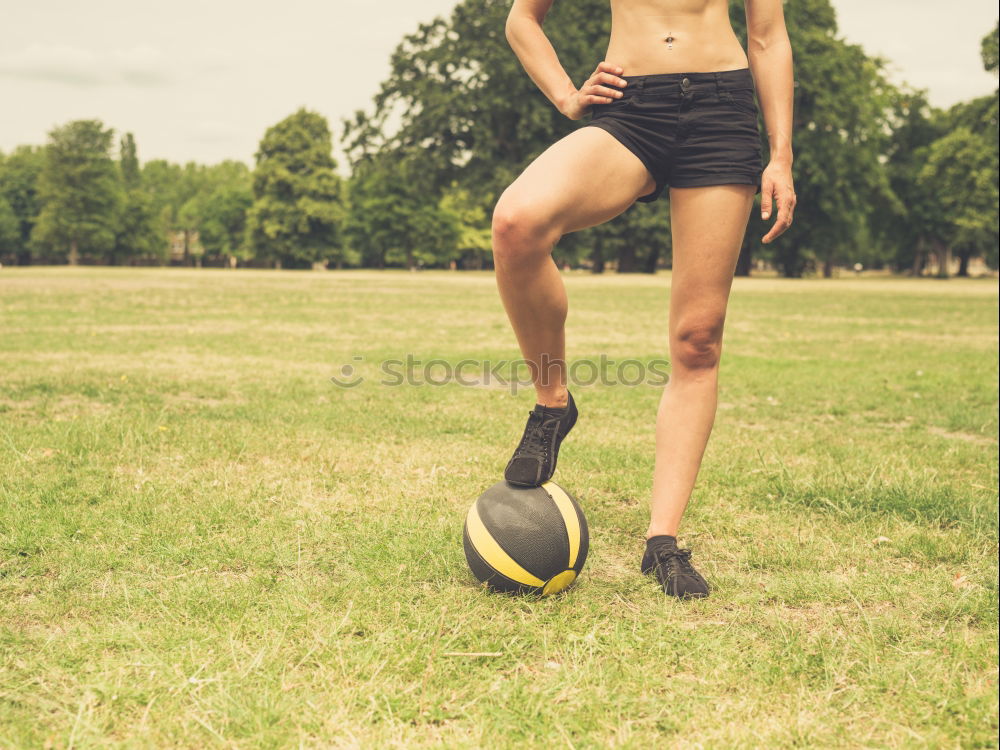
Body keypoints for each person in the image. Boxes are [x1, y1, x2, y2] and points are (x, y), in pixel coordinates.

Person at [494, 0, 796, 599]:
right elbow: (521, 18)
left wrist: (781, 155)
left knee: (698, 339)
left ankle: (663, 541)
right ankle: (553, 404)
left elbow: (767, 36)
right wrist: (564, 94)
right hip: (630, 108)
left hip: (722, 110)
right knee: (517, 224)